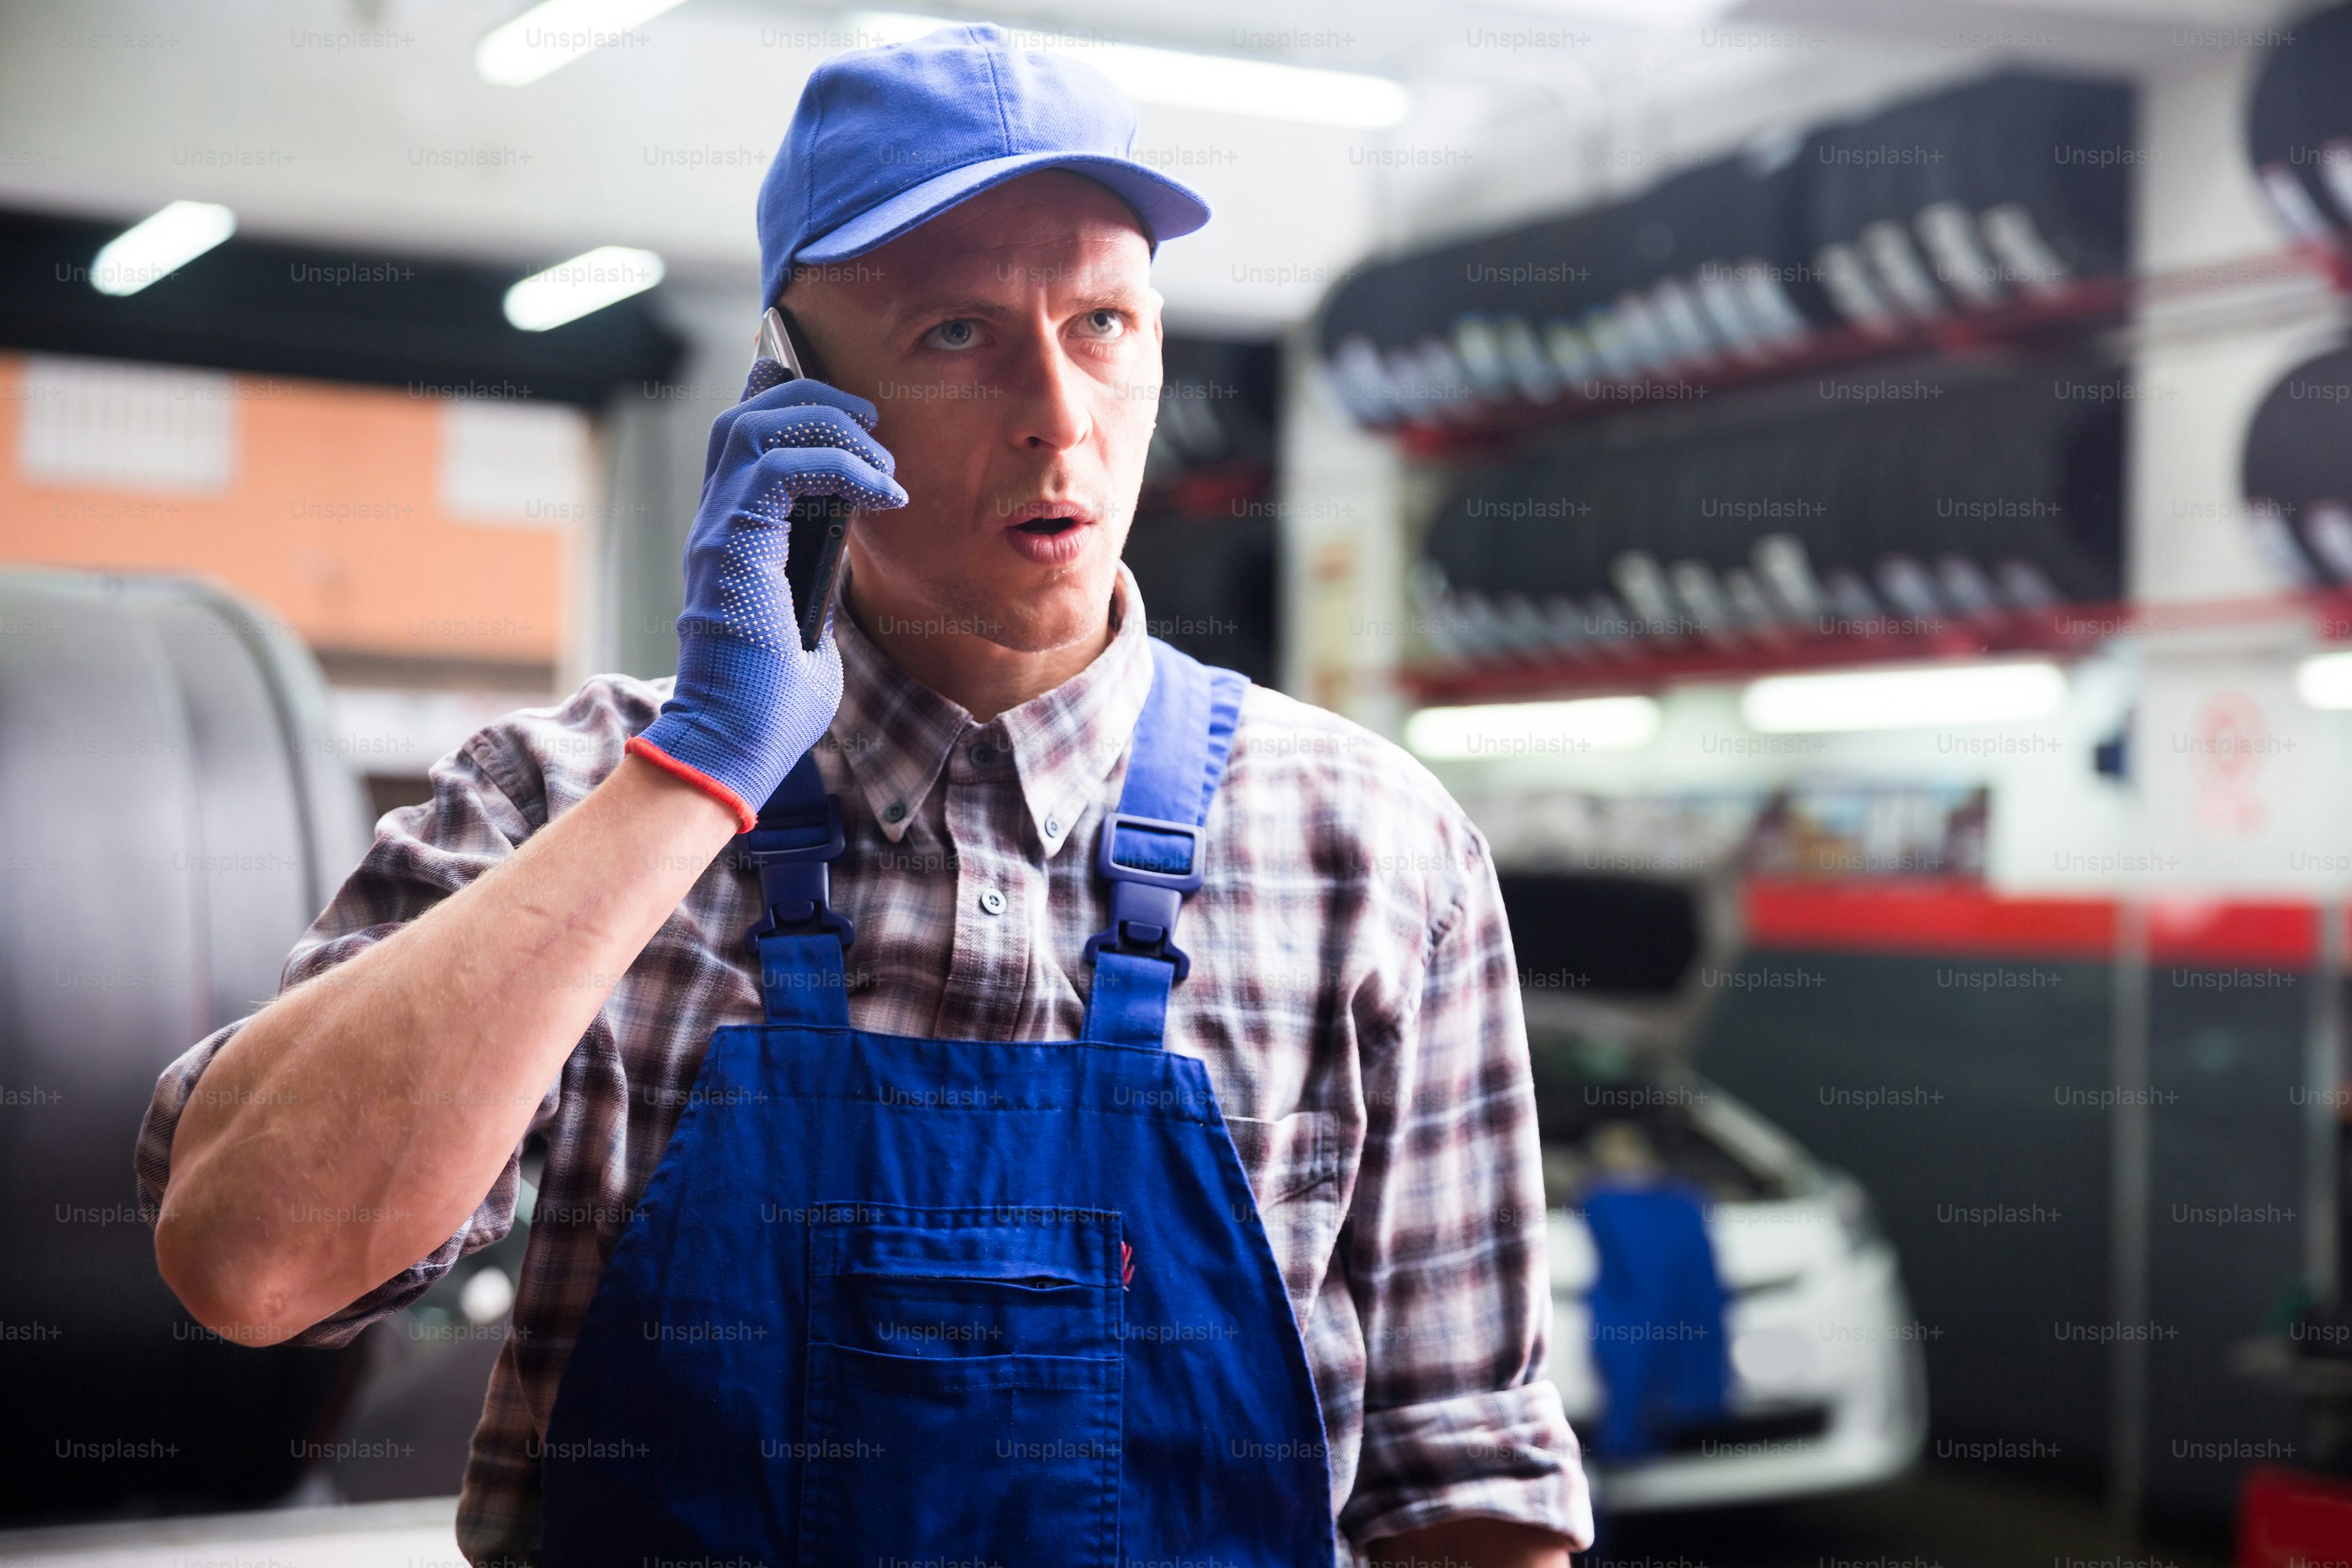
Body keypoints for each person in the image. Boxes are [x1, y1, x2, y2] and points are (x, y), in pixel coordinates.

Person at [136, 24, 1590, 1567]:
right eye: (957, 334)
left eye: (1103, 320)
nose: (1058, 413)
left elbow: (1468, 1490)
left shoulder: (1374, 850)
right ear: (795, 391)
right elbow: (254, 1262)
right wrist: (694, 774)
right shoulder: (555, 803)